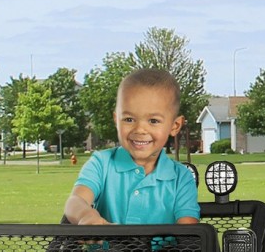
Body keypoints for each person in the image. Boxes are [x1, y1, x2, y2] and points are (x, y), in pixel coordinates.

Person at [63, 68, 200, 225]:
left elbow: (188, 230)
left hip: (167, 244)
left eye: (153, 121)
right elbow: (75, 200)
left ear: (174, 126)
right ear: (116, 120)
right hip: (104, 242)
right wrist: (86, 216)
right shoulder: (101, 163)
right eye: (129, 119)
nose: (140, 130)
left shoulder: (181, 177)